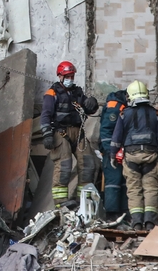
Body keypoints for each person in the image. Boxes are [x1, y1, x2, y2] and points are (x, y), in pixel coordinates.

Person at [41, 61, 99, 207]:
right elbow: (45, 115)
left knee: (88, 163)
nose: (70, 79)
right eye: (67, 76)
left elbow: (88, 108)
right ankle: (61, 203)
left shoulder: (77, 93)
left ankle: (84, 201)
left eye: (72, 76)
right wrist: (47, 134)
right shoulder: (52, 93)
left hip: (78, 132)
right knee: (64, 165)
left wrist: (92, 103)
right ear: (60, 76)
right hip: (61, 132)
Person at [110, 80, 158, 231]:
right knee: (151, 189)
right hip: (151, 156)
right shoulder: (154, 114)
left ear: (130, 96)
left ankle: (137, 223)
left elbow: (116, 137)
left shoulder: (124, 114)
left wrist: (113, 155)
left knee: (134, 190)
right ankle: (150, 222)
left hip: (131, 157)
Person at [99, 89, 129, 220]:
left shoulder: (122, 106)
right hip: (112, 152)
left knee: (123, 181)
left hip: (120, 151)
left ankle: (123, 212)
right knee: (114, 181)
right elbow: (106, 130)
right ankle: (111, 214)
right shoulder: (115, 107)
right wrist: (110, 151)